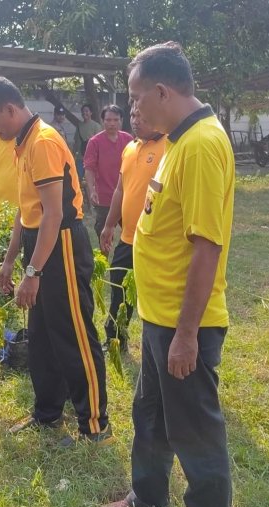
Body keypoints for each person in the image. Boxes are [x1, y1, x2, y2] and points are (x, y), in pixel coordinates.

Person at [100, 42, 235, 507]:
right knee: (150, 413)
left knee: (194, 427)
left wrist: (185, 334)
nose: (132, 108)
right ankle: (148, 495)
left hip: (184, 322)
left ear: (162, 91)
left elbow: (206, 247)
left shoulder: (200, 145)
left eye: (136, 98)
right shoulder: (177, 140)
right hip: (159, 315)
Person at [0, 76, 110, 447]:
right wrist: (9, 262)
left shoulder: (44, 142)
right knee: (41, 336)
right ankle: (48, 414)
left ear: (10, 109)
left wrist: (32, 273)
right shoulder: (21, 143)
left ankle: (95, 425)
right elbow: (26, 211)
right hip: (40, 242)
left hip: (63, 243)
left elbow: (53, 214)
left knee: (74, 335)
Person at [99, 109, 165, 352]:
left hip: (155, 239)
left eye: (142, 115)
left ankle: (157, 345)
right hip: (128, 238)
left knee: (153, 294)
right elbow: (120, 189)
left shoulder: (170, 147)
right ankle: (116, 338)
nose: (136, 121)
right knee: (118, 286)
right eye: (133, 116)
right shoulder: (129, 148)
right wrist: (108, 225)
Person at [82, 105, 133, 238]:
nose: (112, 124)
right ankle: (103, 259)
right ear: (102, 121)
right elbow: (89, 168)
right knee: (104, 236)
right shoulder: (94, 142)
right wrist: (92, 190)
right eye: (108, 120)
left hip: (127, 196)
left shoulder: (128, 139)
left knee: (132, 235)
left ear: (121, 120)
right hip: (104, 198)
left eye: (116, 120)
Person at [74, 104, 101, 185]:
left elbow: (99, 144)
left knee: (91, 181)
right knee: (78, 180)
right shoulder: (79, 126)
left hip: (92, 158)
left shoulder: (96, 126)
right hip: (80, 158)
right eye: (83, 111)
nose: (84, 113)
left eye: (87, 111)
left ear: (91, 113)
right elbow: (76, 142)